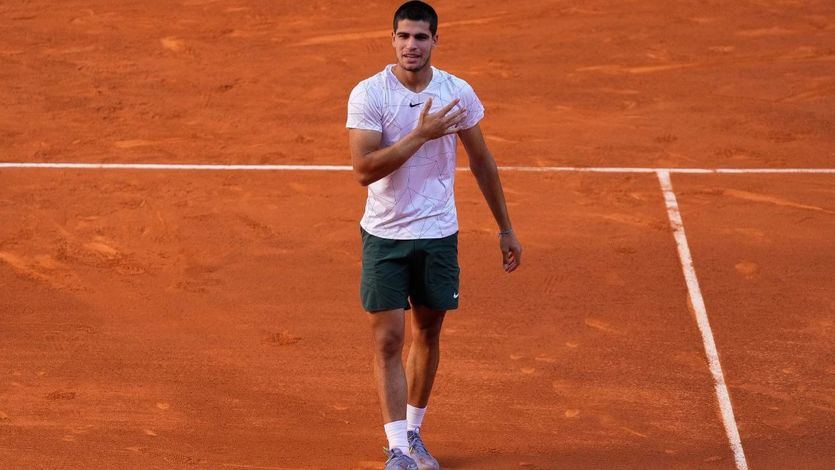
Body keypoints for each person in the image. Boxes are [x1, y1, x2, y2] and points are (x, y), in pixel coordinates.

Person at [346, 1, 522, 468]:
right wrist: (420, 135)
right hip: (385, 234)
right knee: (388, 340)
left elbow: (482, 160)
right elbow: (364, 169)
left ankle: (414, 433)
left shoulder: (456, 92)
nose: (411, 45)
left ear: (435, 41)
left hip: (439, 232)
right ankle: (397, 449)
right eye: (403, 36)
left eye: (421, 37)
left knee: (427, 333)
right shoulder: (369, 94)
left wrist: (505, 227)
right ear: (392, 39)